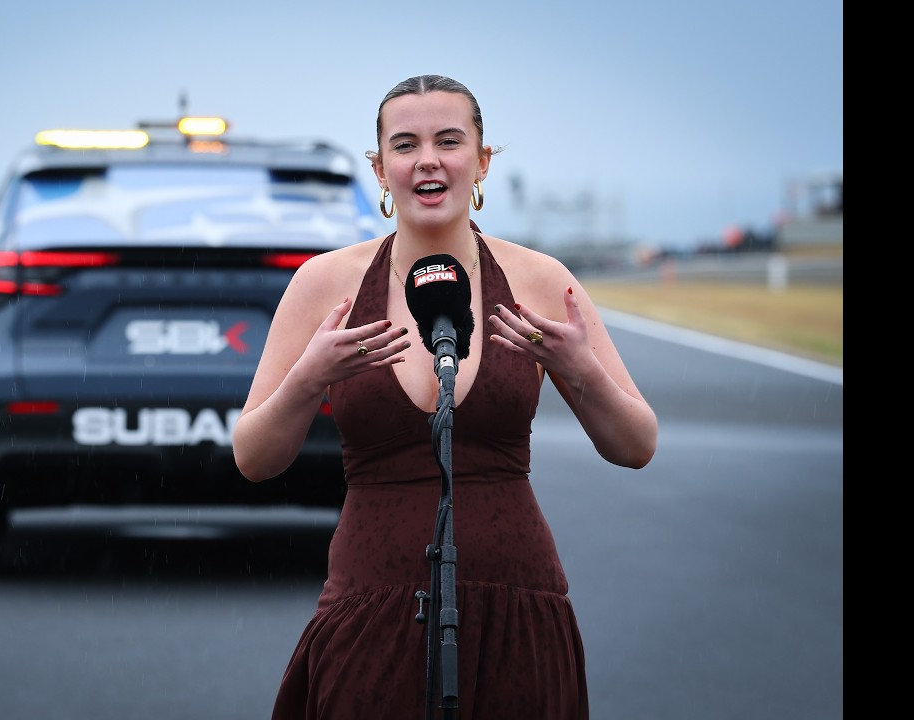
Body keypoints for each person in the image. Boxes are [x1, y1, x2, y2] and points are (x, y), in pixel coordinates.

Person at [232, 75, 658, 720]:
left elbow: (636, 444)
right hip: (370, 602)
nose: (427, 159)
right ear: (380, 169)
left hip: (515, 602)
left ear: (482, 161)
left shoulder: (541, 281)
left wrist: (581, 368)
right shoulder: (324, 285)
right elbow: (254, 458)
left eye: (449, 140)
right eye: (405, 145)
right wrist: (308, 378)